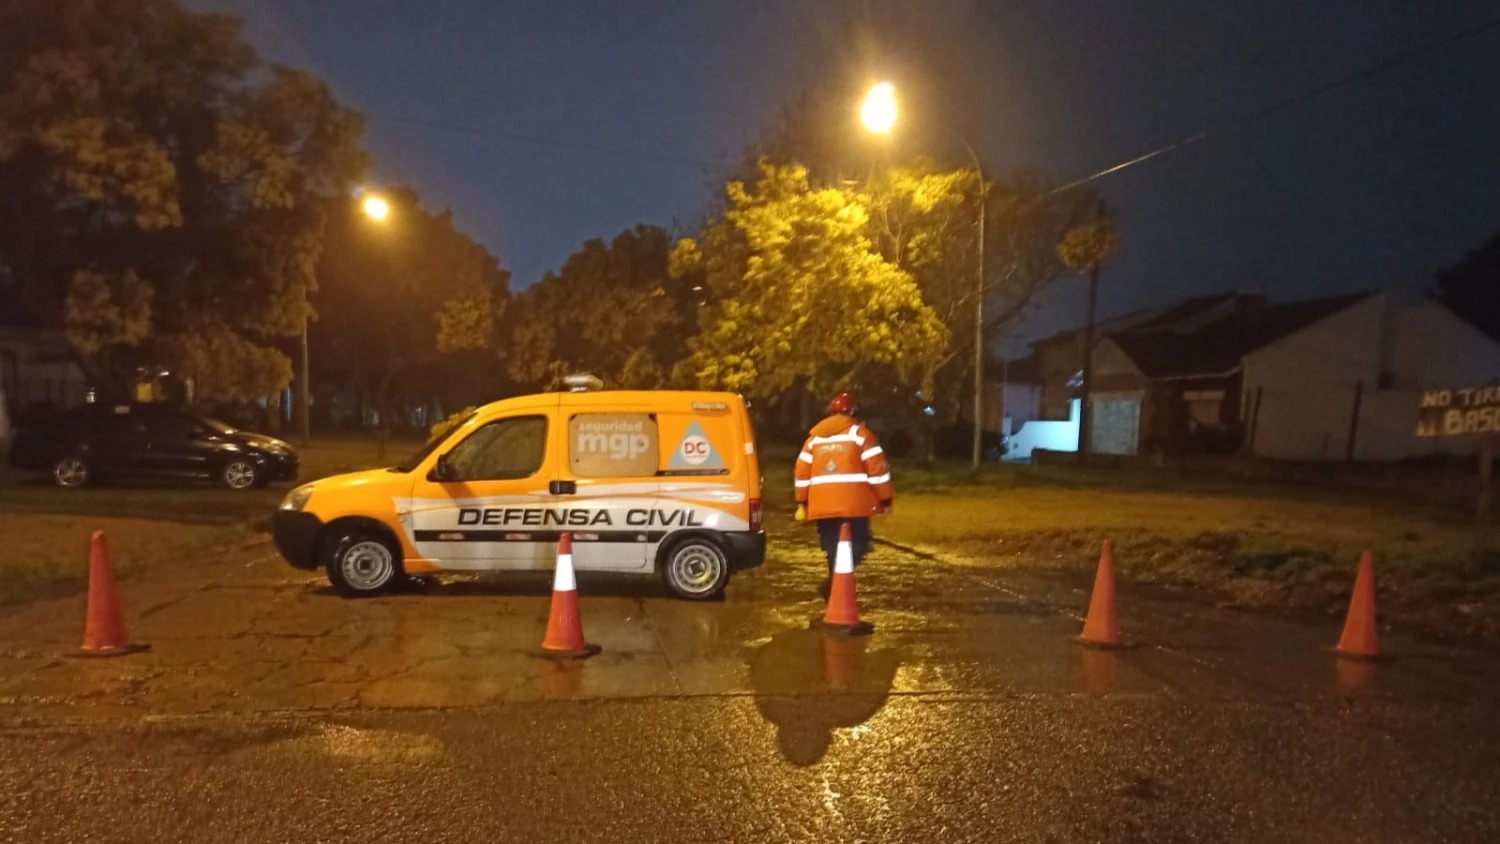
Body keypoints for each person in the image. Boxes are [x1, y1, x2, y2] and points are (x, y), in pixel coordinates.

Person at [793, 393, 894, 579]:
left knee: (831, 546)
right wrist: (885, 499)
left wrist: (802, 501)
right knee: (859, 545)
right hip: (854, 506)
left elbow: (801, 472)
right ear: (853, 412)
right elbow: (878, 470)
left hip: (822, 506)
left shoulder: (813, 440)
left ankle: (834, 581)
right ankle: (836, 584)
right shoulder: (862, 436)